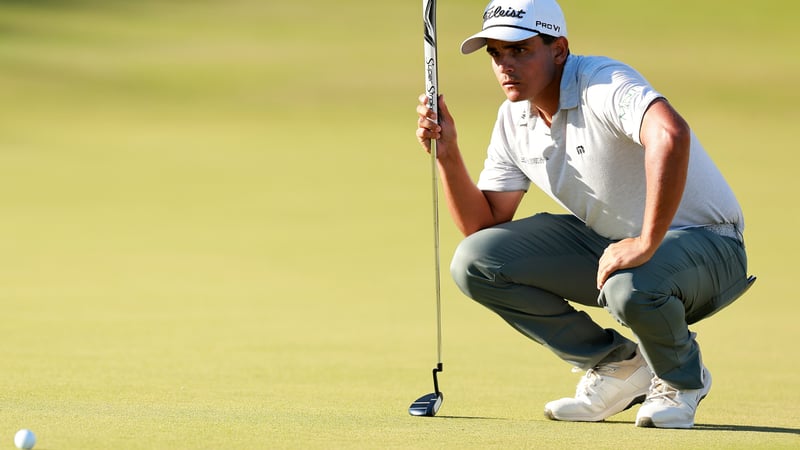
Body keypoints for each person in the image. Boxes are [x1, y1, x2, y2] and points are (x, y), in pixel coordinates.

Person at [414, 0, 751, 429]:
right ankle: (620, 366)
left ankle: (681, 378)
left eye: (520, 50)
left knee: (627, 283)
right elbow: (483, 226)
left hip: (710, 246)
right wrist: (448, 154)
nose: (505, 66)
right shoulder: (513, 118)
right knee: (476, 261)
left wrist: (646, 241)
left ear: (558, 49)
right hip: (616, 246)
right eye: (496, 53)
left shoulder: (602, 83)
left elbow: (671, 134)